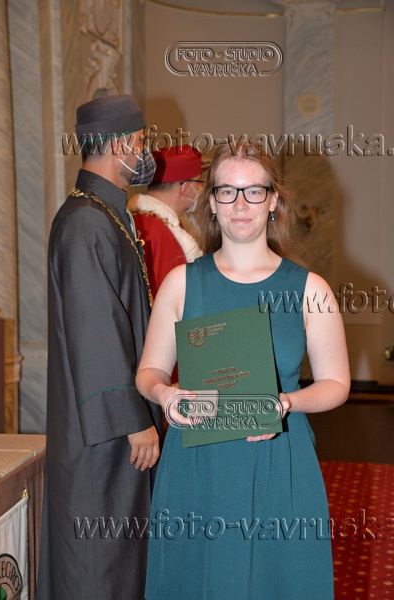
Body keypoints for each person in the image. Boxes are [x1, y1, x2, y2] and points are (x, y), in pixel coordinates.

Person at [136, 140, 350, 600]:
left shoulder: (310, 288)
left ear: (273, 200)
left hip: (279, 460)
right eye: (227, 191)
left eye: (253, 191)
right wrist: (164, 394)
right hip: (198, 464)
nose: (240, 204)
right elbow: (149, 370)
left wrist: (286, 402)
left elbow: (336, 384)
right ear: (211, 202)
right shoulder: (182, 282)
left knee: (279, 583)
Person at [36, 95, 163, 600]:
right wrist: (134, 420)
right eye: (141, 141)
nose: (146, 152)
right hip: (105, 438)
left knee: (120, 561)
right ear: (118, 145)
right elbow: (96, 330)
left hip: (113, 430)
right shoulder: (86, 221)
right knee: (99, 566)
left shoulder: (104, 214)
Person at [128, 144, 203, 299]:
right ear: (186, 187)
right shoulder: (160, 232)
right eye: (199, 182)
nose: (201, 188)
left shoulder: (140, 219)